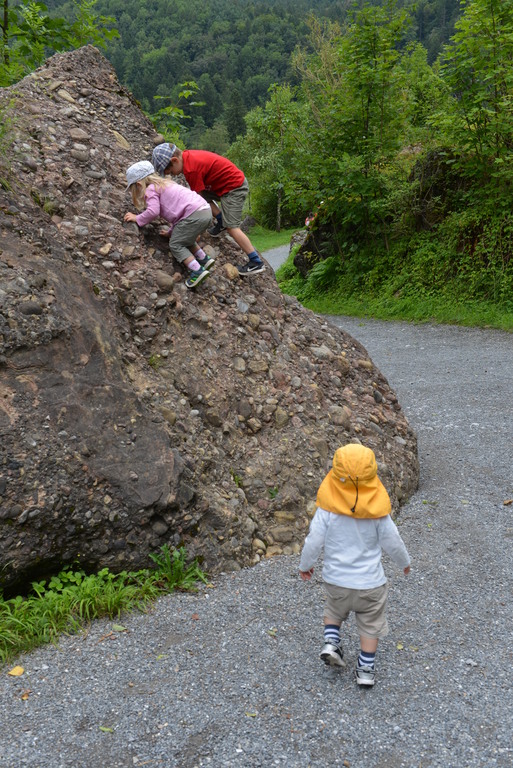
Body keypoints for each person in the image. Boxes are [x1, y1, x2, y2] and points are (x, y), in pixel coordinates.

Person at [299, 443, 411, 687]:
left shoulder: (328, 510)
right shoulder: (377, 512)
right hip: (370, 584)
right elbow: (392, 540)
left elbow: (314, 539)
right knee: (370, 624)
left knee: (333, 611)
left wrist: (305, 565)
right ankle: (366, 669)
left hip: (336, 581)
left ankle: (331, 642)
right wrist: (404, 562)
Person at [151, 143, 265, 276]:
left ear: (175, 160)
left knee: (232, 227)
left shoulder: (191, 170)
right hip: (221, 185)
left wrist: (195, 231)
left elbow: (198, 202)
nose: (173, 175)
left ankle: (255, 261)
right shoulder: (188, 157)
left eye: (170, 172)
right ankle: (221, 221)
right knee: (203, 196)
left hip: (234, 187)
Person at [124, 160, 214, 290]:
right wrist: (171, 232)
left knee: (176, 244)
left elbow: (153, 211)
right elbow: (179, 215)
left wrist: (137, 218)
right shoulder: (167, 183)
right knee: (185, 237)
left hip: (193, 215)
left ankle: (197, 270)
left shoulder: (150, 190)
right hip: (205, 210)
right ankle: (203, 258)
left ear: (139, 184)